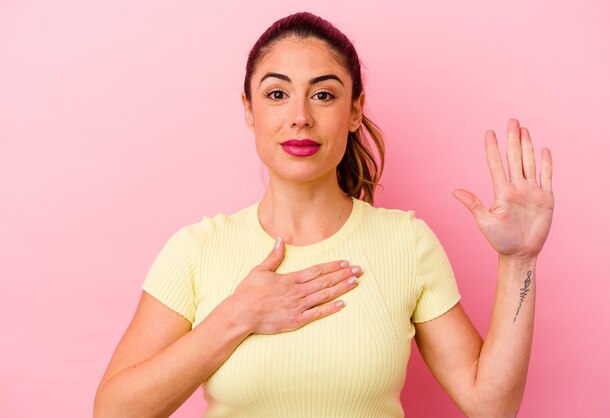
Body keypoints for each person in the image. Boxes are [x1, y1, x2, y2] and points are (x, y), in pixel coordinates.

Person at [94, 11, 554, 418]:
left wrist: (520, 262)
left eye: (323, 96)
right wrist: (236, 317)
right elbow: (114, 412)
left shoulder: (406, 241)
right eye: (276, 94)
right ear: (249, 111)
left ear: (354, 110)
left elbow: (491, 406)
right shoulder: (197, 249)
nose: (299, 117)